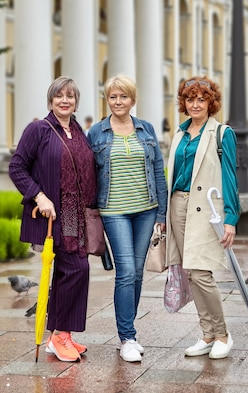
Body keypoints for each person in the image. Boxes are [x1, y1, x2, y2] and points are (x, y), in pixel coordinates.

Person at [9, 76, 96, 363]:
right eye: (59, 96)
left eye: (70, 96)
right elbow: (17, 167)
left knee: (68, 272)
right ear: (51, 100)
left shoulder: (77, 130)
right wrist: (39, 196)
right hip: (54, 215)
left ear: (76, 102)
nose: (65, 100)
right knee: (76, 269)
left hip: (77, 215)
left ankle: (62, 336)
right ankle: (59, 335)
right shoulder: (38, 130)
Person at [87, 74, 167, 363]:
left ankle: (128, 331)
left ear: (133, 100)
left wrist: (162, 212)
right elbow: (87, 174)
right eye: (113, 97)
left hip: (146, 209)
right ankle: (128, 337)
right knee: (126, 272)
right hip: (114, 210)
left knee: (137, 270)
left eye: (123, 96)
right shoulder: (97, 133)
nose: (118, 101)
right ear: (107, 100)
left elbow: (158, 170)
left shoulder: (146, 130)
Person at [165, 76, 241, 360]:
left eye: (201, 99)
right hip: (178, 207)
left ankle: (222, 333)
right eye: (190, 99)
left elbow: (230, 178)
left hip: (205, 209)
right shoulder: (180, 135)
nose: (195, 104)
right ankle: (208, 334)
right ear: (183, 103)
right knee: (191, 273)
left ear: (211, 103)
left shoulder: (222, 133)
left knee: (202, 272)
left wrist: (231, 217)